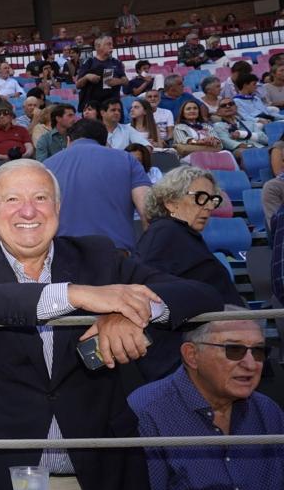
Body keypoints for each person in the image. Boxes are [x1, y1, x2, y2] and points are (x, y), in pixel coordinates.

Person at [0, 160, 224, 490]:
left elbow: (202, 294)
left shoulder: (98, 255)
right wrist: (75, 295)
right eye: (12, 200)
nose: (28, 211)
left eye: (40, 197)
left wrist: (128, 314)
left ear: (58, 209)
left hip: (96, 485)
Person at [129, 318, 284, 490]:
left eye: (258, 351)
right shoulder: (147, 410)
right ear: (192, 355)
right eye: (234, 350)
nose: (251, 365)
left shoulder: (268, 411)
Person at [137, 167, 241, 306]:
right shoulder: (165, 231)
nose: (209, 206)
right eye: (201, 198)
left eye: (212, 199)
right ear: (171, 203)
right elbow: (146, 288)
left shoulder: (181, 234)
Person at [44, 118, 150, 252]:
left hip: (62, 255)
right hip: (115, 254)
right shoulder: (127, 159)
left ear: (68, 140)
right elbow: (148, 211)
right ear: (105, 142)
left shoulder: (46, 166)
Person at [75, 35, 127, 111]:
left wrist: (119, 81)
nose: (112, 46)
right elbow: (78, 85)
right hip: (94, 106)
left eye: (112, 44)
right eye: (108, 44)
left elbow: (126, 81)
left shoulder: (116, 62)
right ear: (98, 46)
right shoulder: (89, 62)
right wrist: (87, 77)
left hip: (113, 106)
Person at [213, 97, 267, 162]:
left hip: (259, 147)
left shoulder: (249, 123)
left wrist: (243, 134)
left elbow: (265, 139)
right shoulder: (218, 126)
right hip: (238, 151)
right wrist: (249, 146)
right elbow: (227, 142)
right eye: (223, 106)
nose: (228, 106)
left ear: (236, 108)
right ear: (218, 112)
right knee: (244, 152)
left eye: (231, 104)